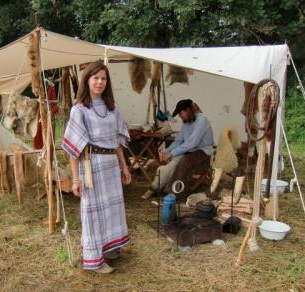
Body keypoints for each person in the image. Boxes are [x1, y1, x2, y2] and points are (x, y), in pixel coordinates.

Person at [62, 61, 131, 274]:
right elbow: (74, 148)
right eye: (96, 78)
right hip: (91, 166)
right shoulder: (79, 109)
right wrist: (75, 179)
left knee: (111, 209)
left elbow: (117, 141)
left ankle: (109, 248)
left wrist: (124, 166)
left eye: (103, 78)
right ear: (87, 80)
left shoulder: (113, 108)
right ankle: (94, 259)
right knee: (93, 212)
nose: (100, 82)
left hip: (111, 166)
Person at [142, 99, 214, 199]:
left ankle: (174, 192)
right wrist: (167, 151)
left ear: (188, 110)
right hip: (189, 151)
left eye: (180, 113)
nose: (180, 116)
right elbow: (178, 141)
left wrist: (172, 153)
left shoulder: (202, 121)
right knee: (173, 162)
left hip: (203, 154)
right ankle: (154, 188)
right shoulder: (186, 123)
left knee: (184, 161)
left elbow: (192, 143)